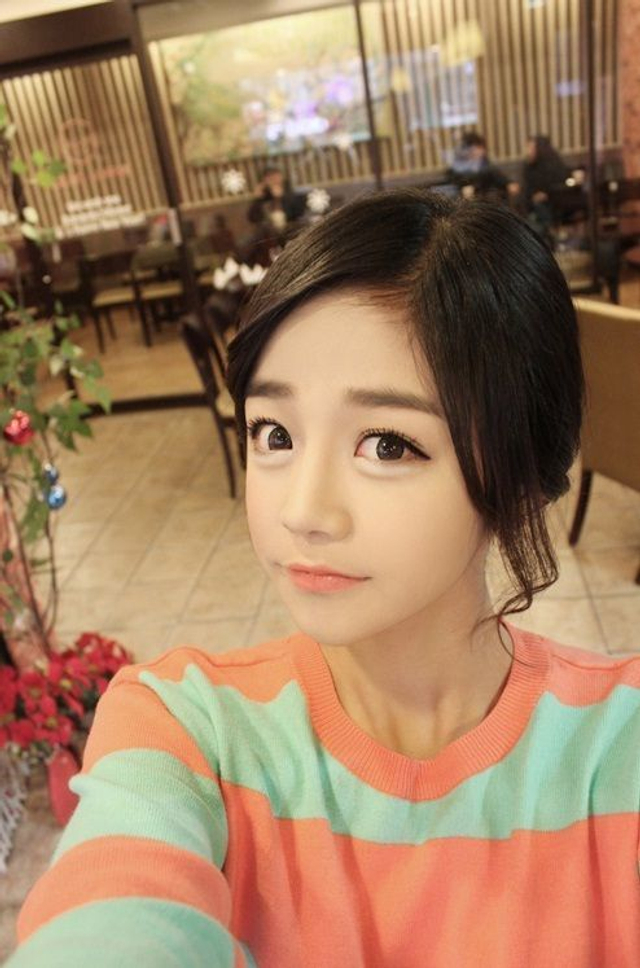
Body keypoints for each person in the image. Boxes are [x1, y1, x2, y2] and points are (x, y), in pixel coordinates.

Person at [10, 190, 640, 967]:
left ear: (519, 478)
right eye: (274, 434)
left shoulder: (620, 751)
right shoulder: (181, 728)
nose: (302, 511)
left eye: (386, 444)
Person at [521, 134, 571, 239]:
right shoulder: (528, 166)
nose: (528, 151)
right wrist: (533, 196)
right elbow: (526, 189)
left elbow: (562, 182)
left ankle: (553, 232)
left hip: (556, 199)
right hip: (533, 204)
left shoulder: (553, 164)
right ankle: (550, 233)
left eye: (531, 148)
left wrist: (547, 193)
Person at [446, 131, 518, 202]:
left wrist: (508, 183)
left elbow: (495, 175)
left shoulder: (487, 166)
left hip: (484, 198)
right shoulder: (459, 167)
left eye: (479, 147)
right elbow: (453, 178)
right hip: (466, 198)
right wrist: (464, 187)